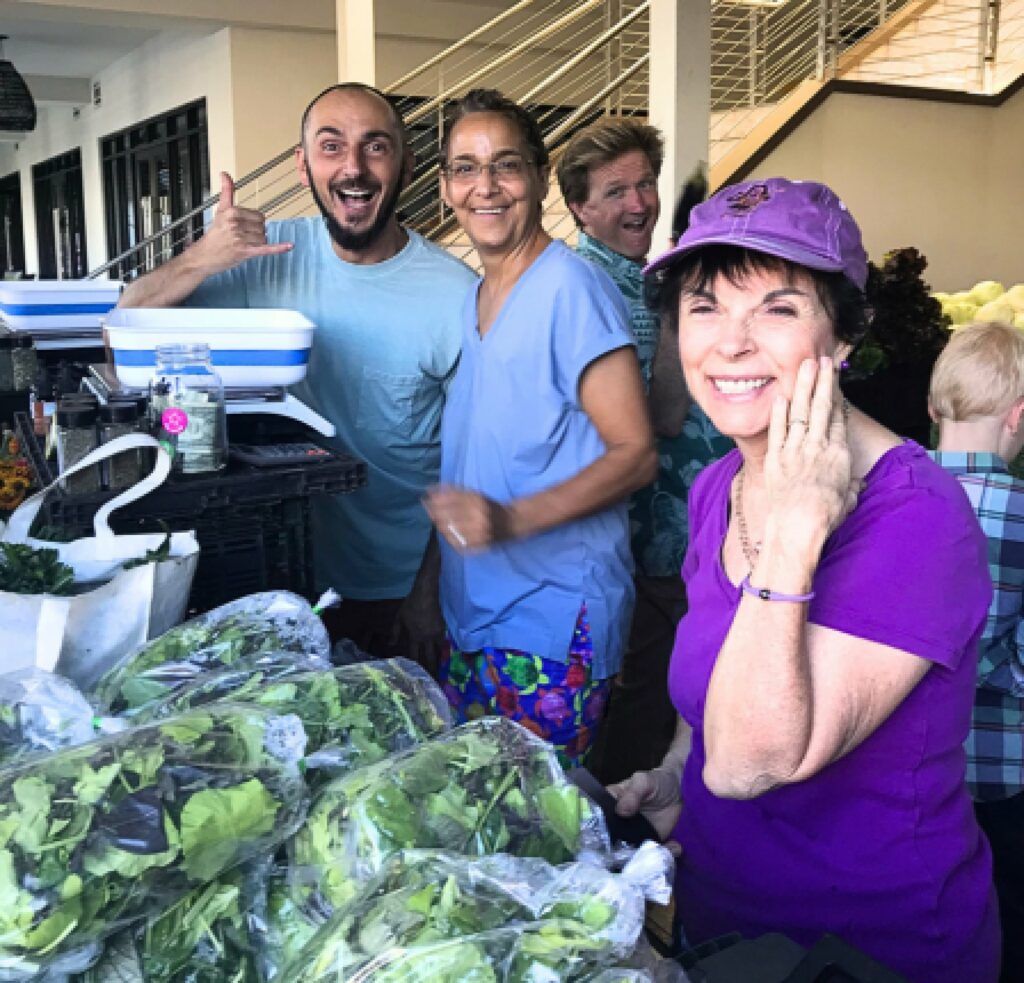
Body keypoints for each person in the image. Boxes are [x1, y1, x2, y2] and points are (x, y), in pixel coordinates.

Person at [611, 177, 999, 983]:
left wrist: (794, 530)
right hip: (720, 923)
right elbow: (714, 705)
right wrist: (676, 777)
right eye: (706, 306)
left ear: (844, 338)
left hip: (870, 948)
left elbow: (751, 762)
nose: (729, 342)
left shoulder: (919, 517)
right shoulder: (719, 485)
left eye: (778, 309)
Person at [118, 83, 477, 666]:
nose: (353, 168)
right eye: (331, 147)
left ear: (407, 163)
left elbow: (470, 465)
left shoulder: (456, 294)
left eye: (376, 147)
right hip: (280, 576)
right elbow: (124, 332)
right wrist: (202, 258)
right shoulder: (264, 256)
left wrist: (428, 594)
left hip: (401, 586)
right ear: (302, 162)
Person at [423, 89, 657, 766]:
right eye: (465, 168)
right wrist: (429, 588)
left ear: (538, 174)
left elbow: (637, 453)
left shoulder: (571, 289)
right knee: (478, 827)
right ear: (444, 188)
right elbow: (475, 458)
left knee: (533, 837)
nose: (485, 187)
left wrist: (512, 520)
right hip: (476, 613)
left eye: (505, 166)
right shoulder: (476, 296)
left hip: (550, 622)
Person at [557, 119, 732, 782]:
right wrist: (672, 306)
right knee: (650, 712)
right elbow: (657, 415)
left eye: (645, 185)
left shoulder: (632, 276)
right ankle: (637, 847)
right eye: (616, 191)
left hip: (685, 542)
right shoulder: (596, 287)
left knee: (667, 704)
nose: (638, 203)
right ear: (580, 206)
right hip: (655, 547)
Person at [928, 319, 1024, 983]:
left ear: (933, 409)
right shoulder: (1020, 510)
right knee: (1009, 913)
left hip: (911, 769)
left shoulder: (883, 493)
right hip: (1001, 771)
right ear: (1021, 416)